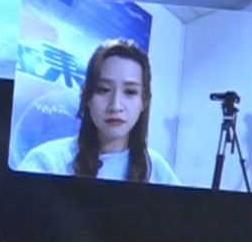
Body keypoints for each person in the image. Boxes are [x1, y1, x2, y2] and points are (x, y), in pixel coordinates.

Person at [18, 39, 179, 183]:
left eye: (130, 92)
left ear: (144, 102)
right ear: (87, 97)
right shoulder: (49, 161)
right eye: (103, 89)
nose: (116, 105)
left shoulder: (156, 169)